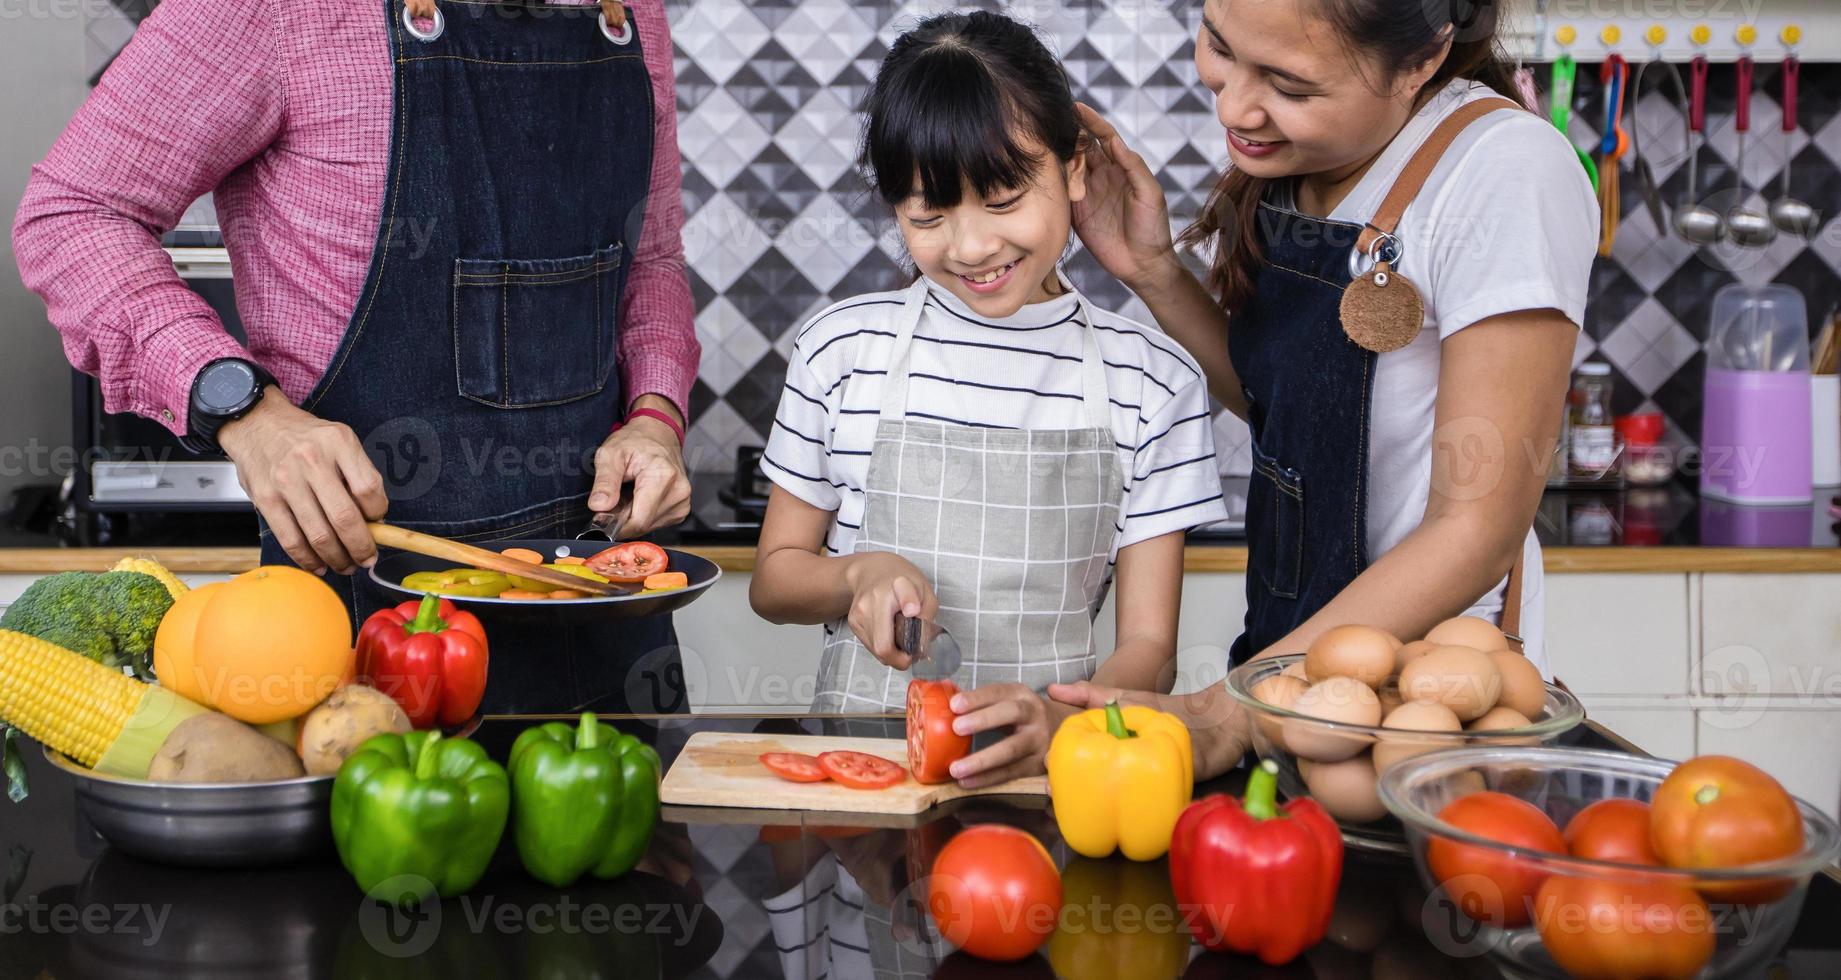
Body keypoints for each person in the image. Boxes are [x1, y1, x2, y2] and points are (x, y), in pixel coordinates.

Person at [14, 0, 699, 713]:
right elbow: (75, 210)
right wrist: (249, 414)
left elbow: (650, 257)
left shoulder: (628, 15)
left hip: (602, 605)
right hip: (358, 631)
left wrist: (655, 414)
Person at [1055, 0, 1597, 776]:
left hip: (1424, 699)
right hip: (1286, 662)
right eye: (1218, 44)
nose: (1235, 105)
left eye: (1288, 85)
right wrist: (1151, 270)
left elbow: (1476, 530)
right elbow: (1292, 407)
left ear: (1420, 60)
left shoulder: (1504, 172)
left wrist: (1231, 710)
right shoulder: (1307, 163)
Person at [750, 11, 1228, 788]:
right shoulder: (841, 350)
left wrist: (1067, 725)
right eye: (926, 216)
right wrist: (855, 576)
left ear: (1074, 170)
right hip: (861, 777)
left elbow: (1150, 648)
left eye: (1003, 199)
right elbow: (775, 580)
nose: (969, 247)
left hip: (1049, 778)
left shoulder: (1152, 380)